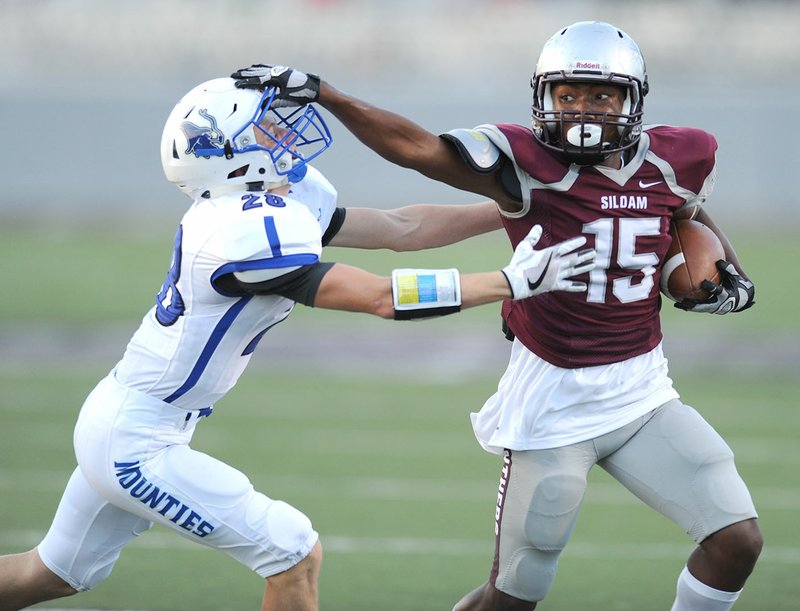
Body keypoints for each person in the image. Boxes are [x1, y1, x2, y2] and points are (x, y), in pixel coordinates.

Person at [0, 77, 596, 611]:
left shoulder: (269, 201)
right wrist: (509, 282)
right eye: (262, 126)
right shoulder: (238, 231)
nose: (282, 134)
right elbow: (379, 298)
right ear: (223, 152)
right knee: (292, 551)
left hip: (133, 419)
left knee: (49, 575)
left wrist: (508, 207)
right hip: (135, 441)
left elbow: (400, 229)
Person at [231, 19, 763, 611]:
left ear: (632, 100)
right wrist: (329, 95)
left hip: (642, 390)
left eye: (600, 95)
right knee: (512, 597)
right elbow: (418, 150)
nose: (581, 108)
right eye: (567, 95)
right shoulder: (523, 162)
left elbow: (685, 214)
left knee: (736, 540)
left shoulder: (680, 155)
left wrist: (730, 273)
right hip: (551, 402)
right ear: (543, 98)